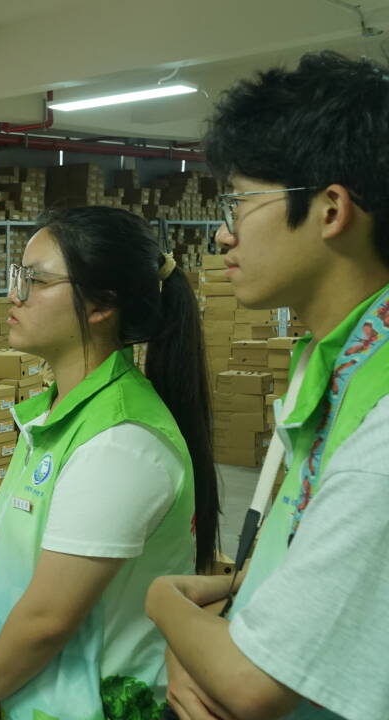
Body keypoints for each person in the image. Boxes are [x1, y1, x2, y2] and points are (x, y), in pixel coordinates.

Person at [146, 51, 389, 720]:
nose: (223, 235)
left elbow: (254, 683)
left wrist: (163, 603)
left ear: (330, 210)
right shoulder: (337, 363)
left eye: (240, 202)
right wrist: (203, 635)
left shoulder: (379, 420)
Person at [0, 207, 221, 720]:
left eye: (36, 280)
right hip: (18, 693)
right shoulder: (55, 413)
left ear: (101, 305)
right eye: (17, 276)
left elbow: (47, 619)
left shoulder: (121, 441)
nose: (14, 295)